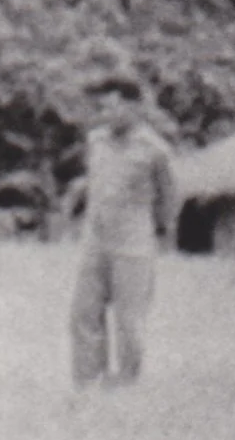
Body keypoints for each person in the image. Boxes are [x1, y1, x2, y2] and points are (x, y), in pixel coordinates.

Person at [66, 68, 178, 390]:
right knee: (83, 313)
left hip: (133, 244)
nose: (107, 115)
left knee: (129, 321)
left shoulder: (155, 150)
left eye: (114, 107)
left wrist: (155, 231)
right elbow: (96, 183)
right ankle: (87, 382)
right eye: (103, 108)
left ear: (134, 108)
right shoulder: (96, 142)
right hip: (96, 240)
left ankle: (125, 384)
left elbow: (169, 199)